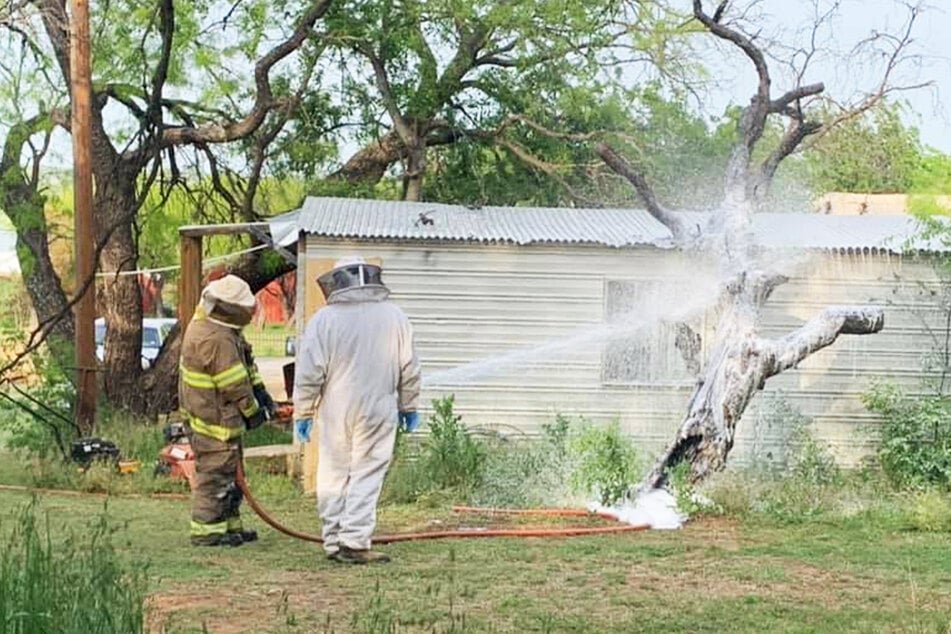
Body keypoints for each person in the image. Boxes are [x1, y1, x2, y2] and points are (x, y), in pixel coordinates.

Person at [293, 256, 421, 564]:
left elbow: (309, 371)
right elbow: (410, 367)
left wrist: (304, 411)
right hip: (379, 406)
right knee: (367, 471)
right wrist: (409, 405)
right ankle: (354, 541)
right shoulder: (394, 316)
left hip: (336, 409)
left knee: (333, 470)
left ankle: (333, 539)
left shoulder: (324, 320)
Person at [179, 274, 276, 547]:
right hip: (211, 420)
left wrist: (261, 392)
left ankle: (229, 525)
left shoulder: (225, 330)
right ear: (228, 308)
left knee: (231, 473)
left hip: (218, 416)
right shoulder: (214, 337)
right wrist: (253, 410)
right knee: (215, 474)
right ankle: (207, 531)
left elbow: (245, 367)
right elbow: (233, 384)